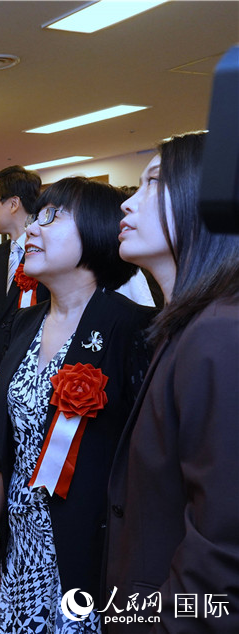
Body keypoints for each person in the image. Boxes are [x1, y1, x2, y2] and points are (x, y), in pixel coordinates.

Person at [0, 177, 156, 633]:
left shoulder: (132, 329)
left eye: (53, 217)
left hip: (88, 549)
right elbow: (6, 443)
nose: (32, 228)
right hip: (23, 542)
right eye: (35, 217)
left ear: (96, 232)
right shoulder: (24, 322)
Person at [107, 131, 239, 631]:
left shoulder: (219, 332)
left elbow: (223, 555)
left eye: (154, 182)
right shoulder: (186, 325)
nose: (128, 201)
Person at [0, 165, 49, 602]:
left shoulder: (50, 248)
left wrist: (10, 380)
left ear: (13, 203)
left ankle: (29, 571)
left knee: (32, 476)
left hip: (33, 390)